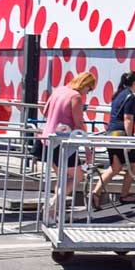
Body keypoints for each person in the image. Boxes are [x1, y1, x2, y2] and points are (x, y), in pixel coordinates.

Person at [39, 71, 96, 221]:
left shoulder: (59, 90)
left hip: (47, 139)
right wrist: (88, 150)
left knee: (62, 178)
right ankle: (52, 204)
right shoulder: (75, 97)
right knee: (77, 176)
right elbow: (79, 124)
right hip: (63, 143)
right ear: (85, 85)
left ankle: (54, 213)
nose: (88, 93)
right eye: (89, 89)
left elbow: (45, 111)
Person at [91, 70, 135, 207]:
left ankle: (95, 193)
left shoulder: (119, 94)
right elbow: (128, 119)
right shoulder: (129, 97)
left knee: (115, 167)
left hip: (112, 134)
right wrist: (129, 140)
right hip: (122, 135)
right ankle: (124, 195)